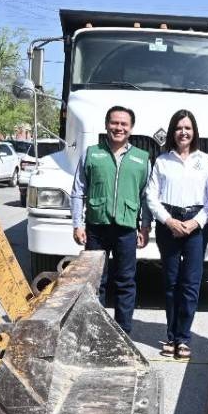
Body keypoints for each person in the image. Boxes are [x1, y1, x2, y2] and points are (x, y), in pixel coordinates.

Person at [70, 105, 150, 333]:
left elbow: (146, 197)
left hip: (126, 230)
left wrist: (145, 227)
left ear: (131, 128)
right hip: (96, 228)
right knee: (96, 282)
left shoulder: (141, 159)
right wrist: (77, 223)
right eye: (114, 123)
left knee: (125, 282)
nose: (119, 128)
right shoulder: (92, 153)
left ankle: (123, 332)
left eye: (124, 124)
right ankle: (96, 331)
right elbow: (78, 191)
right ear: (106, 125)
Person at [144, 109, 208, 360]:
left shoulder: (206, 160)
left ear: (194, 132)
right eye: (178, 128)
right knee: (171, 282)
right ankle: (171, 336)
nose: (183, 132)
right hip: (169, 224)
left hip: (196, 225)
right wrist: (168, 221)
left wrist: (196, 223)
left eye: (188, 128)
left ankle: (184, 338)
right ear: (172, 132)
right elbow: (151, 196)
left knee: (191, 284)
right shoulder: (162, 161)